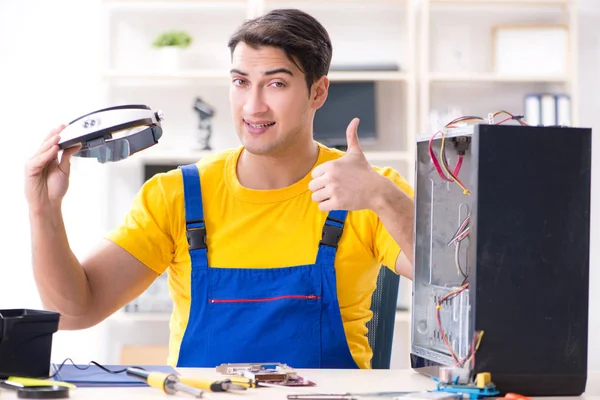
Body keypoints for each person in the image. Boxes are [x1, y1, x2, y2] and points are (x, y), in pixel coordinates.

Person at [24, 8, 415, 370]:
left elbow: (456, 281)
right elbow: (75, 313)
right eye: (241, 82)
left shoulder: (367, 190)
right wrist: (44, 210)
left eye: (276, 83)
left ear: (318, 92)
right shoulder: (176, 196)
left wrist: (383, 196)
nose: (253, 106)